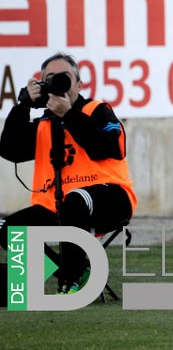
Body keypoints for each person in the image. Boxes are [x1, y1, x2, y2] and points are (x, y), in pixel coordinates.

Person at [0, 52, 137, 293]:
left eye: (63, 78)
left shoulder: (97, 110)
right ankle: (65, 270)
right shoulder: (44, 123)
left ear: (79, 84)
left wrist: (69, 115)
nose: (57, 83)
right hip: (58, 206)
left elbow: (112, 148)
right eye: (49, 79)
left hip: (110, 199)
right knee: (8, 230)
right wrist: (22, 107)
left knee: (76, 199)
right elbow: (10, 150)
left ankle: (71, 281)